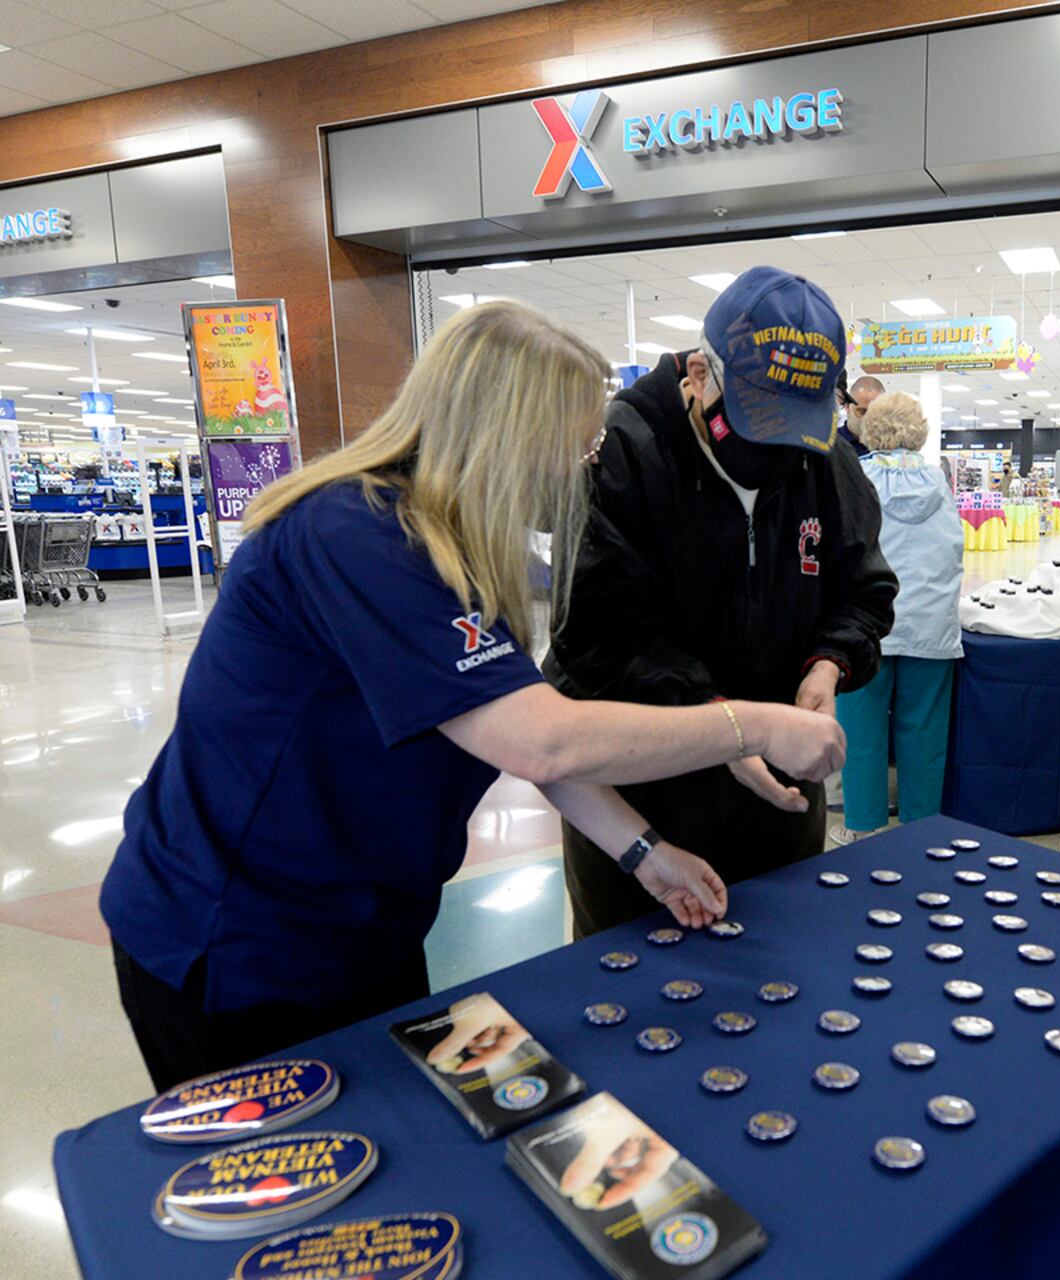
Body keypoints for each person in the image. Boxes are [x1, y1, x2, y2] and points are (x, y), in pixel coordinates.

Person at [99, 301, 846, 1091]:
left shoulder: (458, 554)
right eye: (575, 445)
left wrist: (644, 852)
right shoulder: (354, 536)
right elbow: (542, 739)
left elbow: (510, 730)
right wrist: (752, 724)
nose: (580, 469)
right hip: (239, 942)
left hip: (369, 926)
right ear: (508, 434)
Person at [545, 266, 897, 936]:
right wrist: (723, 723)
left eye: (791, 431)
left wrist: (829, 664)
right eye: (757, 423)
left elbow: (865, 589)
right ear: (700, 376)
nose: (774, 452)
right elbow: (598, 637)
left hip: (779, 803)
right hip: (641, 803)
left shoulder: (822, 458)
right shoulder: (621, 451)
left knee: (789, 986)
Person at [832, 392, 964, 843]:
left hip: (866, 627)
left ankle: (861, 828)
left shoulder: (855, 477)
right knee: (924, 733)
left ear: (870, 429)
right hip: (930, 624)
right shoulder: (938, 481)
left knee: (861, 733)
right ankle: (920, 832)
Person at [835, 372, 885, 457]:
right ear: (847, 407)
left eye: (876, 412)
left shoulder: (892, 446)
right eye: (862, 411)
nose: (869, 419)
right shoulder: (832, 445)